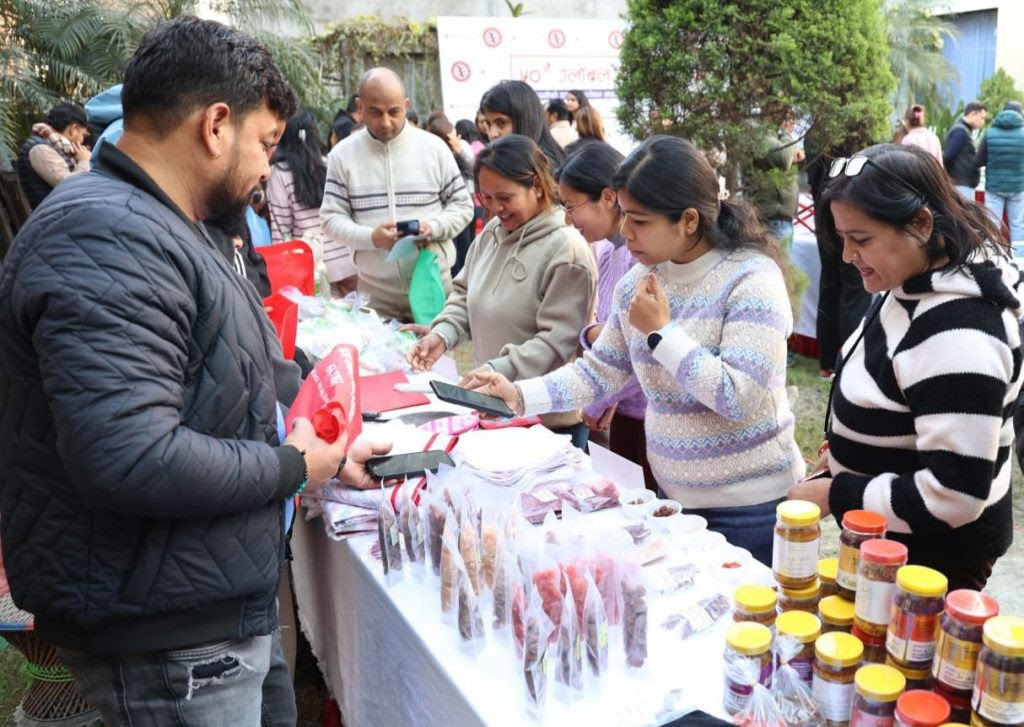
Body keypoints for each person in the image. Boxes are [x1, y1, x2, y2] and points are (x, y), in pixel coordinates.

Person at [0, 17, 388, 724]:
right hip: (163, 631)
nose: (270, 168)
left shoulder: (174, 222)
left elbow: (231, 371)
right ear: (216, 125)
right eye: (266, 144)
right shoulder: (106, 235)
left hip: (204, 597)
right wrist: (290, 468)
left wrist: (322, 445)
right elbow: (130, 455)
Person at [466, 136, 804, 564]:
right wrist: (517, 395)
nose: (624, 231)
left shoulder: (751, 279)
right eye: (624, 215)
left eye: (639, 221)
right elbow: (598, 373)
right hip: (671, 500)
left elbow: (737, 397)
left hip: (748, 509)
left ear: (687, 220)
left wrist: (663, 333)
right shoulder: (637, 283)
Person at [789, 144, 1022, 591]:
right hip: (897, 535)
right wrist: (846, 451)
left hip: (935, 557)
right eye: (842, 238)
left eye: (862, 239)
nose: (846, 255)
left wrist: (837, 494)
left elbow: (955, 493)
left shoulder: (960, 333)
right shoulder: (914, 279)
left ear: (920, 224)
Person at [408, 135, 597, 450]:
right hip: (494, 410)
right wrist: (441, 335)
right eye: (486, 197)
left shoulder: (567, 250)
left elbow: (557, 342)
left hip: (546, 423)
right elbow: (464, 295)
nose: (495, 208)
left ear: (536, 185)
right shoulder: (492, 235)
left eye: (504, 197)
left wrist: (498, 370)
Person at [320, 68, 474, 321]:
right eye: (375, 112)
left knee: (436, 358)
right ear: (360, 107)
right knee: (381, 360)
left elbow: (462, 205)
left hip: (432, 281)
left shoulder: (434, 148)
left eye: (394, 112)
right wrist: (372, 237)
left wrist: (433, 227)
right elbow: (330, 218)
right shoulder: (342, 155)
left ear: (406, 105)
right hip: (376, 293)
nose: (386, 122)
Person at [558, 142, 655, 489]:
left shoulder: (641, 260)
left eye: (572, 207)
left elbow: (636, 350)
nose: (568, 219)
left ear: (608, 198)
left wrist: (601, 398)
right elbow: (605, 334)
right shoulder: (606, 253)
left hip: (648, 415)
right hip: (625, 411)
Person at [267, 111, 357, 295]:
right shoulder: (330, 163)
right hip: (349, 261)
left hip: (314, 266)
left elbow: (281, 230)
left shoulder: (279, 174)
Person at [425, 112, 477, 277]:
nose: (456, 138)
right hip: (443, 214)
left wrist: (458, 151)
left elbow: (475, 171)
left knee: (466, 250)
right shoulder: (431, 155)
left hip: (465, 208)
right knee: (452, 254)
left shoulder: (462, 148)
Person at [16, 102, 92, 209]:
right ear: (73, 129)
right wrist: (84, 161)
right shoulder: (40, 149)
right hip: (55, 218)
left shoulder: (55, 146)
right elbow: (69, 186)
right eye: (83, 135)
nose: (82, 140)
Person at [479, 80, 566, 170]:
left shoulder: (543, 169)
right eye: (488, 124)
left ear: (525, 120)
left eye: (501, 123)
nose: (492, 134)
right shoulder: (507, 161)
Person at [746, 115, 804, 246]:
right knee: (777, 264)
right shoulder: (761, 133)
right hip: (772, 220)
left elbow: (799, 155)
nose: (790, 118)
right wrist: (787, 133)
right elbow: (784, 158)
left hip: (781, 218)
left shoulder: (776, 136)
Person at [976, 100, 1024, 242]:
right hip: (1017, 187)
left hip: (994, 187)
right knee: (1017, 225)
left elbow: (979, 161)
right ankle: (1019, 259)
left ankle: (993, 258)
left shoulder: (990, 133)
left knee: (992, 225)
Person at [943, 100, 986, 200]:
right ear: (972, 114)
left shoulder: (964, 130)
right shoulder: (960, 132)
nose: (983, 122)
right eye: (982, 118)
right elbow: (949, 156)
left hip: (962, 182)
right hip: (960, 183)